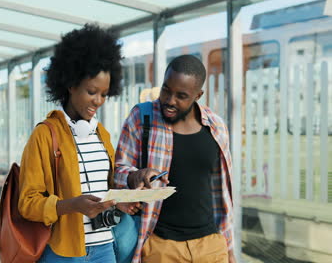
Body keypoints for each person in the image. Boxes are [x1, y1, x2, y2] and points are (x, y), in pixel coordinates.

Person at [18, 24, 126, 263]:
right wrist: (70, 206)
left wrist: (128, 190)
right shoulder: (45, 135)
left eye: (104, 94)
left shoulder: (103, 135)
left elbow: (109, 187)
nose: (98, 101)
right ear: (71, 84)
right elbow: (27, 203)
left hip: (105, 248)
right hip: (63, 253)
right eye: (91, 91)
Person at [114, 55, 235, 263]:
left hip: (211, 247)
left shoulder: (216, 127)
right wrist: (135, 176)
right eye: (166, 90)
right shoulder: (141, 118)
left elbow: (222, 193)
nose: (170, 101)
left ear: (198, 95)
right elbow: (117, 173)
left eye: (181, 96)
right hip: (160, 248)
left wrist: (229, 248)